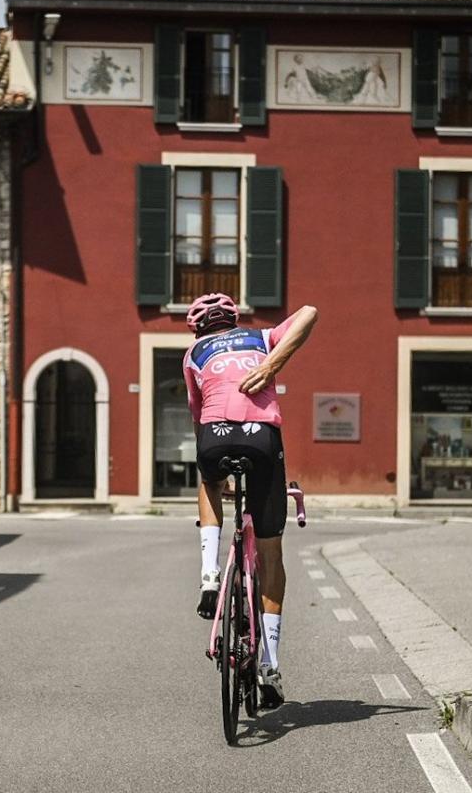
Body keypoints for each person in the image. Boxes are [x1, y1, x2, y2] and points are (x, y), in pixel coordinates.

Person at [183, 292, 318, 709]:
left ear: (199, 328)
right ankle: (270, 664)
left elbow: (197, 412)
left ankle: (209, 574)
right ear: (234, 319)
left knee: (207, 481)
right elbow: (310, 312)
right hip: (263, 439)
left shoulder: (193, 355)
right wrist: (271, 364)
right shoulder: (261, 337)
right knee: (271, 554)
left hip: (214, 435)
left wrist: (220, 472)